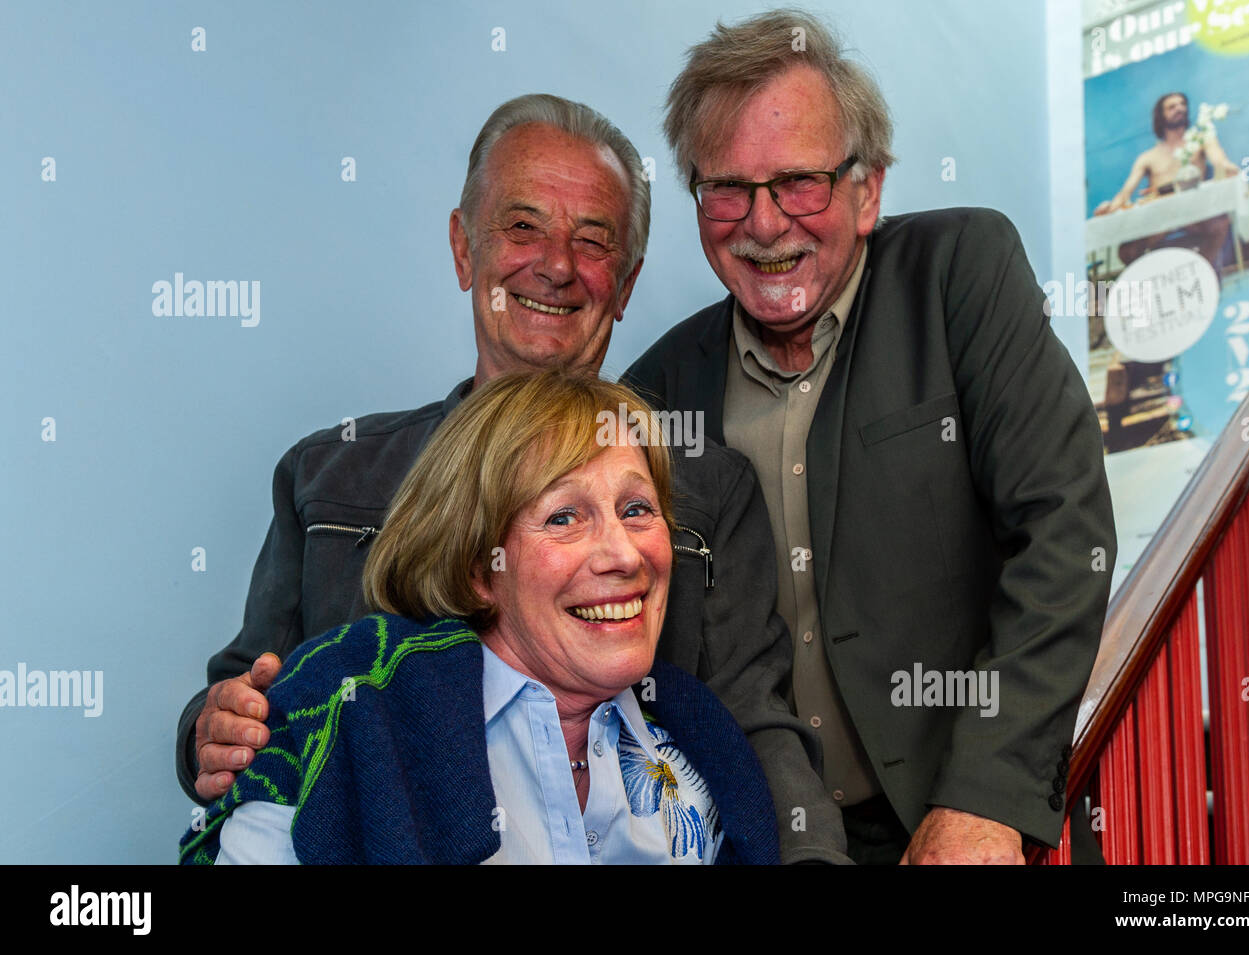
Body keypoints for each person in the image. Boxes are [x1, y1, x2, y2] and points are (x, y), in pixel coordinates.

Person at [175, 93, 848, 863]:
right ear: (465, 249)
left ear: (625, 285)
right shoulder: (328, 473)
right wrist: (216, 731)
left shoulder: (708, 487)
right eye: (523, 227)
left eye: (594, 242)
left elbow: (758, 729)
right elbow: (242, 706)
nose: (557, 265)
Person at [624, 9, 1116, 864]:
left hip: (970, 816)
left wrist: (984, 797)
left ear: (868, 189)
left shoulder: (962, 272)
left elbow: (1065, 534)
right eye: (727, 190)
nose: (765, 224)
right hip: (770, 837)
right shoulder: (655, 392)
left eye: (801, 183)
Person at [179, 372, 779, 864]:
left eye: (637, 509)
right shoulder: (350, 715)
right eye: (564, 517)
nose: (624, 555)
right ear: (478, 569)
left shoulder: (703, 742)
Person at [1093, 91, 1240, 265]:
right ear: (1161, 117)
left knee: (1221, 224)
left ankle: (1201, 270)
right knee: (1126, 252)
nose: (1179, 108)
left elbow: (1219, 160)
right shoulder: (1147, 157)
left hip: (1193, 213)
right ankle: (1158, 279)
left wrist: (1229, 168)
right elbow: (1125, 193)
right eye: (1172, 107)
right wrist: (1110, 207)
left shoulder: (1202, 139)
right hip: (1159, 220)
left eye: (1182, 104)